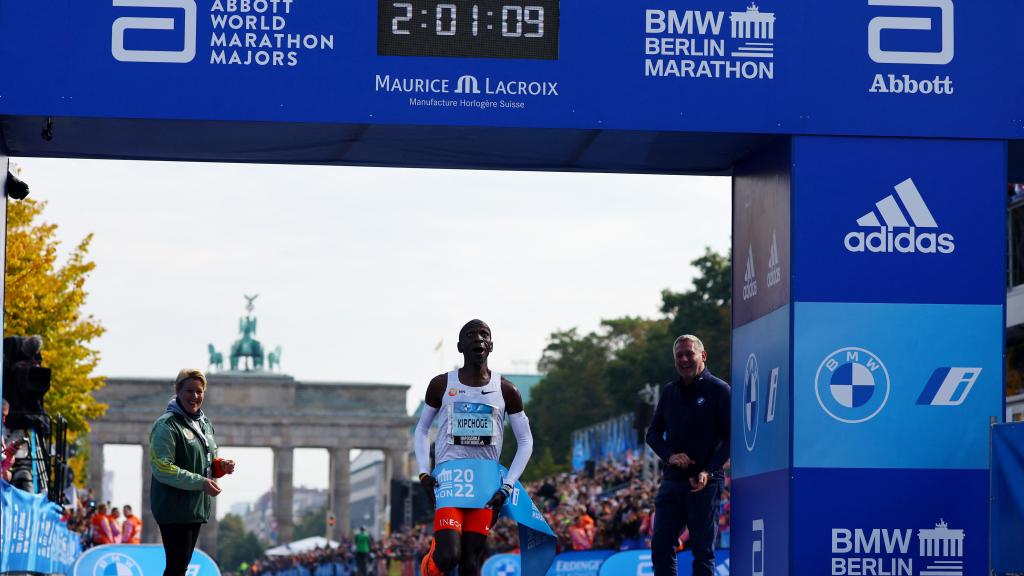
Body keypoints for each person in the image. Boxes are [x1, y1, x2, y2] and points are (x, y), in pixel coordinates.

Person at [416, 320, 534, 576]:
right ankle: (429, 565)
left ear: (490, 345)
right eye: (471, 334)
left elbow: (526, 441)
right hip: (450, 481)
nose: (478, 338)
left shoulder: (507, 390)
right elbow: (422, 429)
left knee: (470, 565)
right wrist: (424, 472)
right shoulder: (441, 385)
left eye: (484, 334)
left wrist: (507, 486)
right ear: (460, 346)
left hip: (485, 485)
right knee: (449, 556)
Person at [645, 335, 730, 576]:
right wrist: (670, 456)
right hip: (672, 481)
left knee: (702, 552)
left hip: (705, 484)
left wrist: (709, 470)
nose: (684, 359)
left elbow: (731, 439)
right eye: (679, 355)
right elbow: (652, 433)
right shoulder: (670, 391)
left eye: (689, 354)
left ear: (703, 356)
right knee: (661, 547)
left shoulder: (720, 390)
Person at [150, 369, 235, 576]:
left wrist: (220, 467)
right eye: (189, 391)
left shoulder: (204, 423)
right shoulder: (167, 425)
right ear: (178, 391)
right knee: (177, 567)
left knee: (180, 567)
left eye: (199, 391)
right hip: (174, 506)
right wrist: (201, 482)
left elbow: (205, 463)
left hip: (195, 507)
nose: (194, 396)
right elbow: (162, 467)